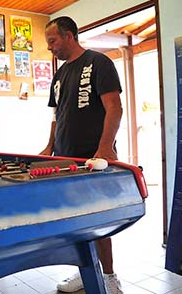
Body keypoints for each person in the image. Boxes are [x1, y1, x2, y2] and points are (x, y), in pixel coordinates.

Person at [40, 16, 123, 293]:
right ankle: (86, 272)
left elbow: (114, 107)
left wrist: (104, 147)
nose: (50, 47)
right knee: (76, 222)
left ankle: (109, 277)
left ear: (69, 36)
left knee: (99, 221)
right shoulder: (59, 74)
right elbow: (57, 114)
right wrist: (49, 146)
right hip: (66, 158)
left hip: (94, 158)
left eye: (52, 41)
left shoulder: (99, 63)